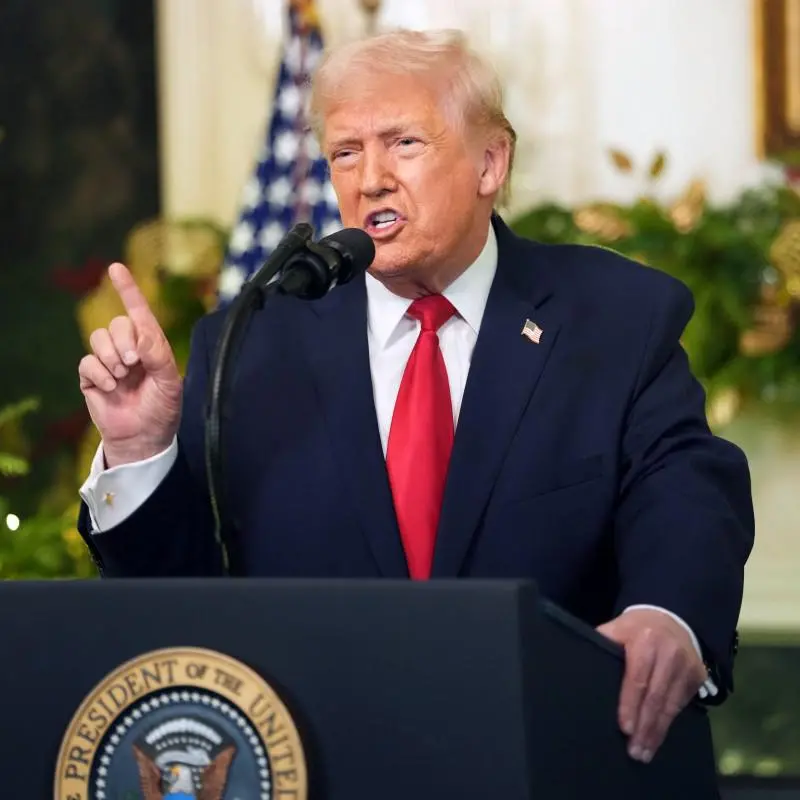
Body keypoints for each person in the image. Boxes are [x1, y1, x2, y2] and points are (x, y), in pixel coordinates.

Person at [76, 28, 754, 766]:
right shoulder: (250, 342)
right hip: (330, 761)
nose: (369, 179)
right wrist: (140, 453)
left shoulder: (614, 315)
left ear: (490, 161)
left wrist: (668, 615)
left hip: (556, 755)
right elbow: (186, 612)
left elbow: (687, 488)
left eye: (402, 143)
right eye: (345, 152)